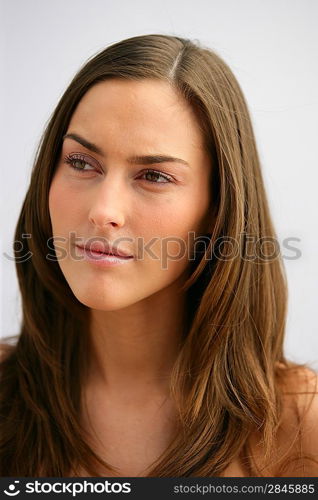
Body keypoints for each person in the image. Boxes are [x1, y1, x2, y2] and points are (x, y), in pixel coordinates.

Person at [0, 33, 317, 478]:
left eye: (154, 175)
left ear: (217, 209)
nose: (103, 211)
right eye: (81, 162)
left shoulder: (303, 425)